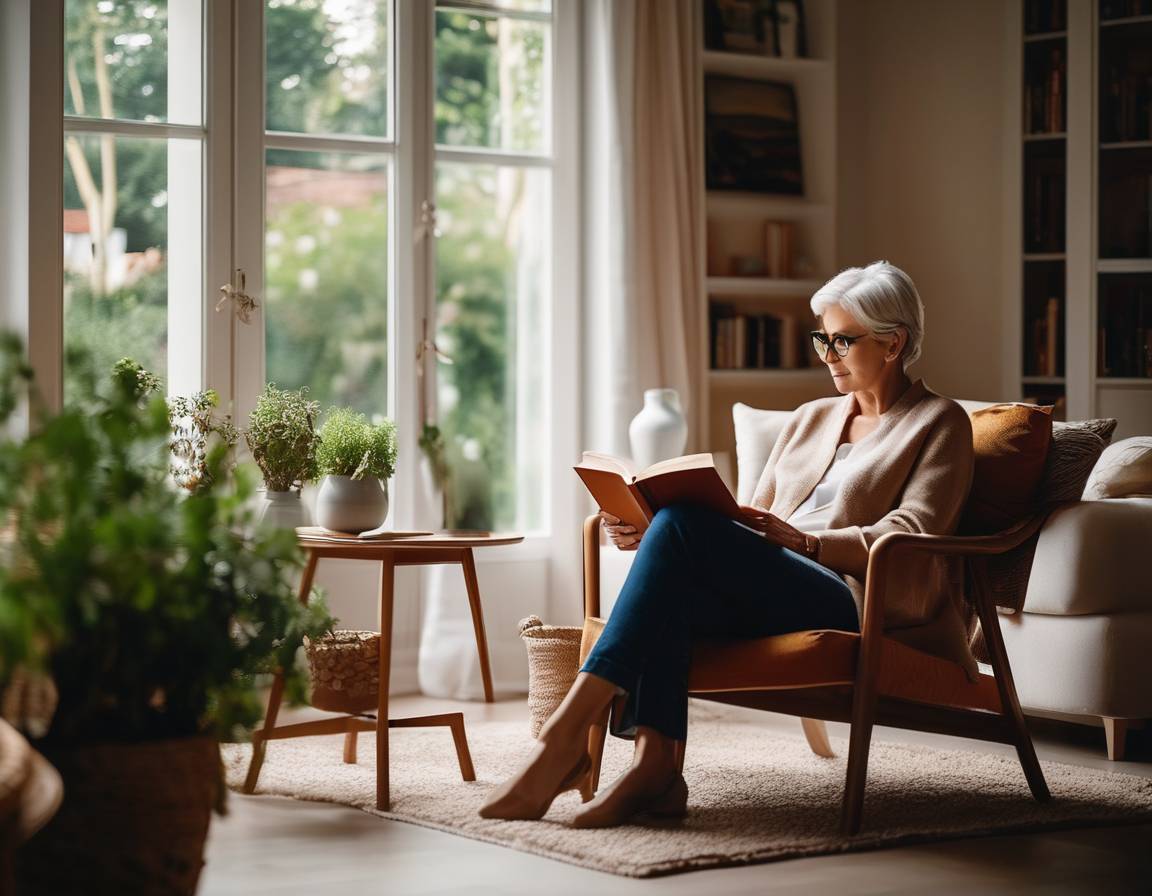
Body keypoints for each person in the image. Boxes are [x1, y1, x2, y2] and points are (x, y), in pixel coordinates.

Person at [478, 261, 976, 827]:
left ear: (894, 343)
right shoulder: (810, 419)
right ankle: (654, 769)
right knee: (676, 553)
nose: (827, 355)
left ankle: (566, 736)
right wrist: (648, 531)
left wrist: (809, 542)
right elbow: (743, 516)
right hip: (774, 581)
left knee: (685, 526)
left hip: (849, 594)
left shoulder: (941, 423)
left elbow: (915, 530)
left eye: (842, 340)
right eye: (822, 339)